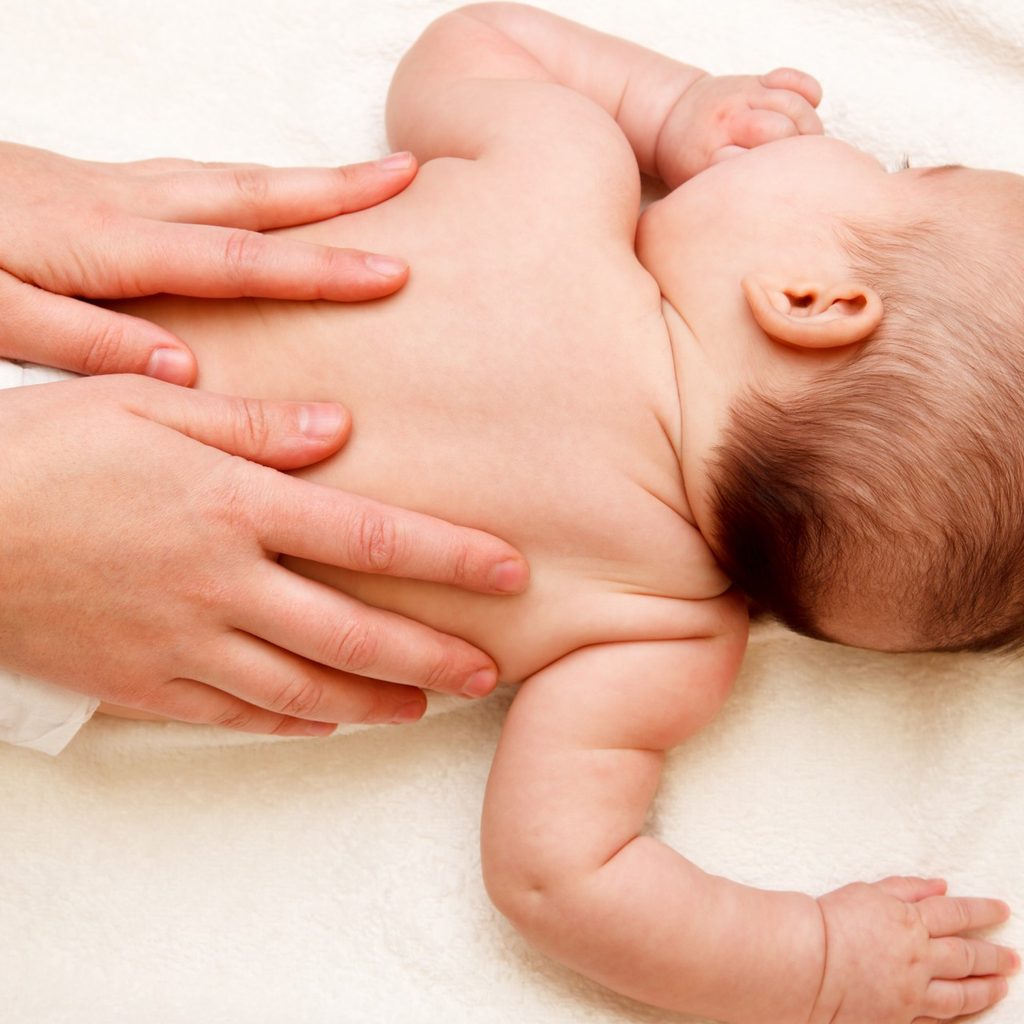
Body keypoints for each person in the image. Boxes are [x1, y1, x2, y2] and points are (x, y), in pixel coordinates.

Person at [34, 3, 1024, 1020]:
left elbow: (470, 43)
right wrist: (811, 964)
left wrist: (673, 105)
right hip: (57, 622)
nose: (860, 149)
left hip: (57, 335)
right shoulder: (657, 633)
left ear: (811, 297)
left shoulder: (561, 172)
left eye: (901, 174)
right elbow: (562, 878)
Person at [0, 142, 529, 753]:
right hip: (67, 578)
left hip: (95, 580)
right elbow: (480, 46)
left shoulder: (649, 614)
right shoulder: (568, 177)